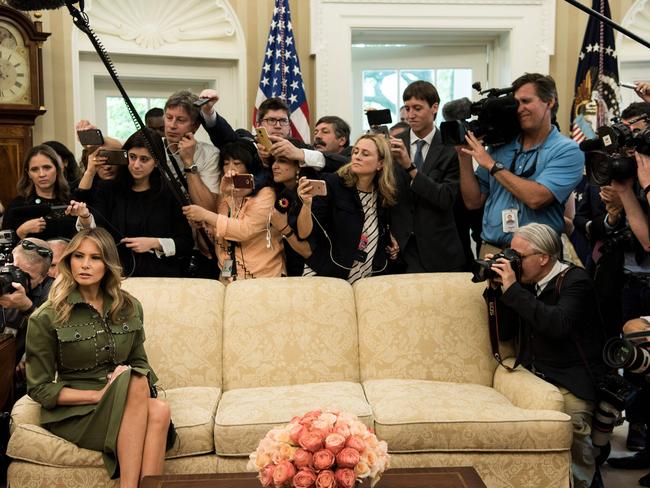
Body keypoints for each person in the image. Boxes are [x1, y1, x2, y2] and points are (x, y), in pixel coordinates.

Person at [26, 227, 175, 486]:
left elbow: (140, 362)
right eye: (78, 256)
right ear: (68, 260)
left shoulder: (129, 306)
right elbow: (39, 388)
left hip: (126, 399)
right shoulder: (47, 316)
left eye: (95, 258)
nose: (85, 265)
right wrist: (99, 394)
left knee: (155, 403)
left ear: (108, 264)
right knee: (143, 391)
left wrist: (125, 384)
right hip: (77, 409)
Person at [488, 223, 605, 488]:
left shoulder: (577, 281)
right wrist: (498, 289)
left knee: (573, 440)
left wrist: (514, 290)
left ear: (543, 258)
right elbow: (505, 333)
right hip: (536, 376)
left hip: (572, 380)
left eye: (518, 256)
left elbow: (557, 325)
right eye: (509, 253)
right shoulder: (527, 282)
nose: (512, 261)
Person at [459, 73, 584, 256]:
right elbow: (473, 201)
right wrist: (463, 155)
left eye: (526, 101)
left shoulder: (567, 150)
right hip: (491, 250)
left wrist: (492, 165)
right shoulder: (501, 146)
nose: (519, 109)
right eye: (516, 103)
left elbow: (536, 198)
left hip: (537, 256)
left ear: (549, 102)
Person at [72, 128, 194, 278]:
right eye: (132, 157)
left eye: (144, 159)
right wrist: (90, 171)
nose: (136, 165)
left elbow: (186, 243)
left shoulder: (170, 193)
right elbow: (86, 214)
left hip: (160, 275)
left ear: (156, 162)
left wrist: (155, 243)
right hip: (117, 273)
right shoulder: (109, 189)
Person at [297, 134, 399, 283]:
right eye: (356, 151)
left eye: (365, 154)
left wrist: (390, 241)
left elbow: (376, 231)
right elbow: (303, 233)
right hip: (327, 273)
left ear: (380, 164)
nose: (357, 157)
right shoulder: (333, 183)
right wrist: (306, 205)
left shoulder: (382, 195)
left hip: (364, 276)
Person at [389, 80, 465, 273]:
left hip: (439, 250)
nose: (410, 115)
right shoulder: (393, 144)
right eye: (407, 108)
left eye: (417, 108)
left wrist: (409, 167)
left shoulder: (451, 147)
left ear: (434, 107)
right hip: (399, 250)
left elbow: (445, 198)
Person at [182, 140, 284, 282]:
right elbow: (222, 235)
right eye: (225, 163)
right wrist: (203, 225)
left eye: (237, 163)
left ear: (250, 166)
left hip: (262, 277)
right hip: (227, 275)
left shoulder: (266, 193)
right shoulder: (227, 193)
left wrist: (206, 215)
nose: (230, 169)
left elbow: (244, 230)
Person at [0, 238, 53, 400]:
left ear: (43, 277)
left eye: (26, 276)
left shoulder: (54, 292)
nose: (16, 280)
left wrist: (26, 307)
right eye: (14, 270)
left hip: (25, 377)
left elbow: (54, 335)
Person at [2, 145, 76, 241]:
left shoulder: (71, 202)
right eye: (34, 169)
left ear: (57, 169)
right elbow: (4, 248)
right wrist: (21, 232)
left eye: (47, 167)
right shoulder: (17, 206)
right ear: (28, 173)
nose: (41, 174)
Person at [163, 90, 220, 211]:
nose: (172, 125)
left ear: (195, 126)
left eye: (180, 120)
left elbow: (208, 208)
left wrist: (188, 161)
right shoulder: (152, 146)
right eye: (169, 118)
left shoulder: (210, 154)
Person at [270, 149, 313, 276]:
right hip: (289, 265)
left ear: (298, 167)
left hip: (310, 271)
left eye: (282, 161)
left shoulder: (310, 194)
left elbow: (307, 251)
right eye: (274, 161)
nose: (274, 166)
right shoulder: (284, 193)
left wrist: (284, 228)